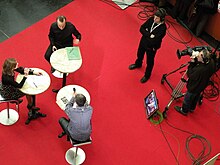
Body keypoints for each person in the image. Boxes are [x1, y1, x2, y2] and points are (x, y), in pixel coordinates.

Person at [128, 8, 167, 83]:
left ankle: (147, 75)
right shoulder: (151, 20)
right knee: (139, 54)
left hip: (152, 47)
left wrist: (146, 34)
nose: (155, 18)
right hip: (143, 42)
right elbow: (141, 28)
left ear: (161, 19)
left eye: (157, 18)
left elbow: (155, 40)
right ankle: (138, 64)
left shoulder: (163, 28)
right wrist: (149, 35)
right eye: (155, 16)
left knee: (149, 61)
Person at [1, 58, 45, 122]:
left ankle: (31, 105)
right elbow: (19, 86)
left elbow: (20, 70)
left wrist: (33, 72)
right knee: (28, 92)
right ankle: (30, 106)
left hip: (9, 86)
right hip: (8, 93)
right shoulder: (8, 78)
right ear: (11, 67)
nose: (17, 64)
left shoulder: (8, 70)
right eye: (15, 64)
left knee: (28, 90)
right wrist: (25, 77)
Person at [175, 48, 216, 116]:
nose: (197, 56)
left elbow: (190, 74)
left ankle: (184, 110)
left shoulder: (200, 70)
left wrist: (192, 62)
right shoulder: (211, 62)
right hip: (202, 85)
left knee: (188, 98)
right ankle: (192, 108)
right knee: (196, 96)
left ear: (203, 59)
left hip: (194, 87)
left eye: (199, 56)